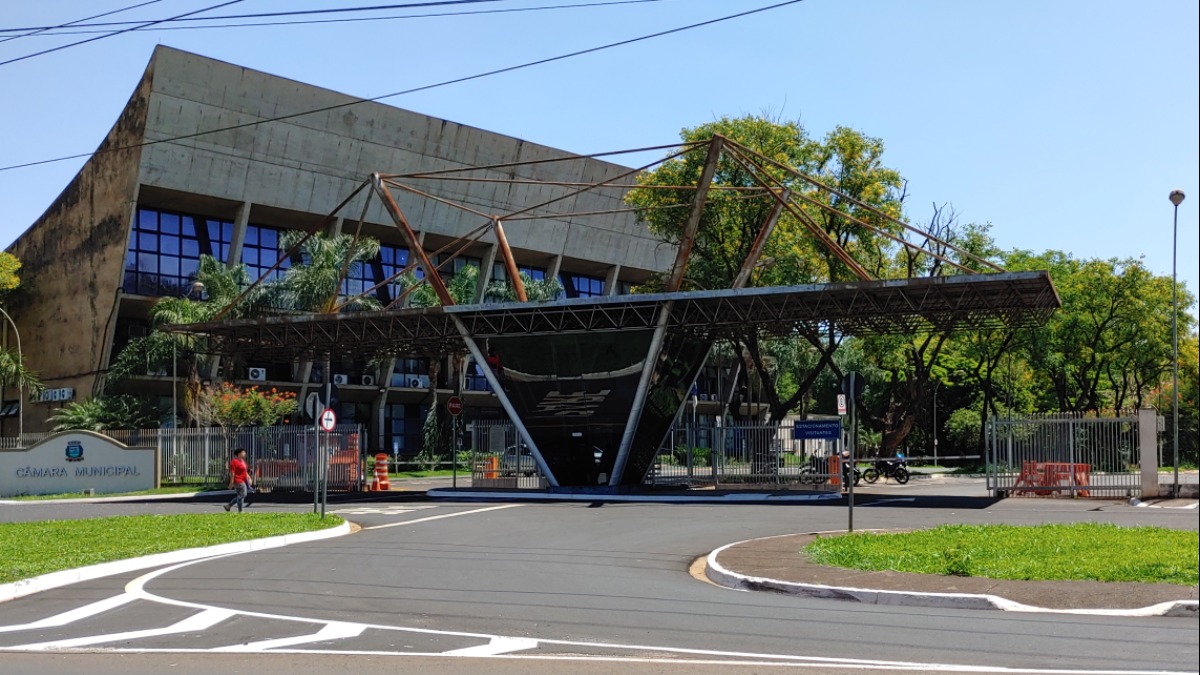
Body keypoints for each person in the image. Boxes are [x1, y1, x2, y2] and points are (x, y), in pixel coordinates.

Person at [224, 447, 253, 512]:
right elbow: (232, 473)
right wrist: (231, 482)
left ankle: (229, 506)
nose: (245, 453)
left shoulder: (242, 461)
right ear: (239, 454)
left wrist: (249, 478)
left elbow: (245, 471)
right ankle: (238, 509)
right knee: (243, 494)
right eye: (243, 452)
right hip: (238, 481)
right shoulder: (234, 462)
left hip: (243, 480)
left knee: (241, 495)